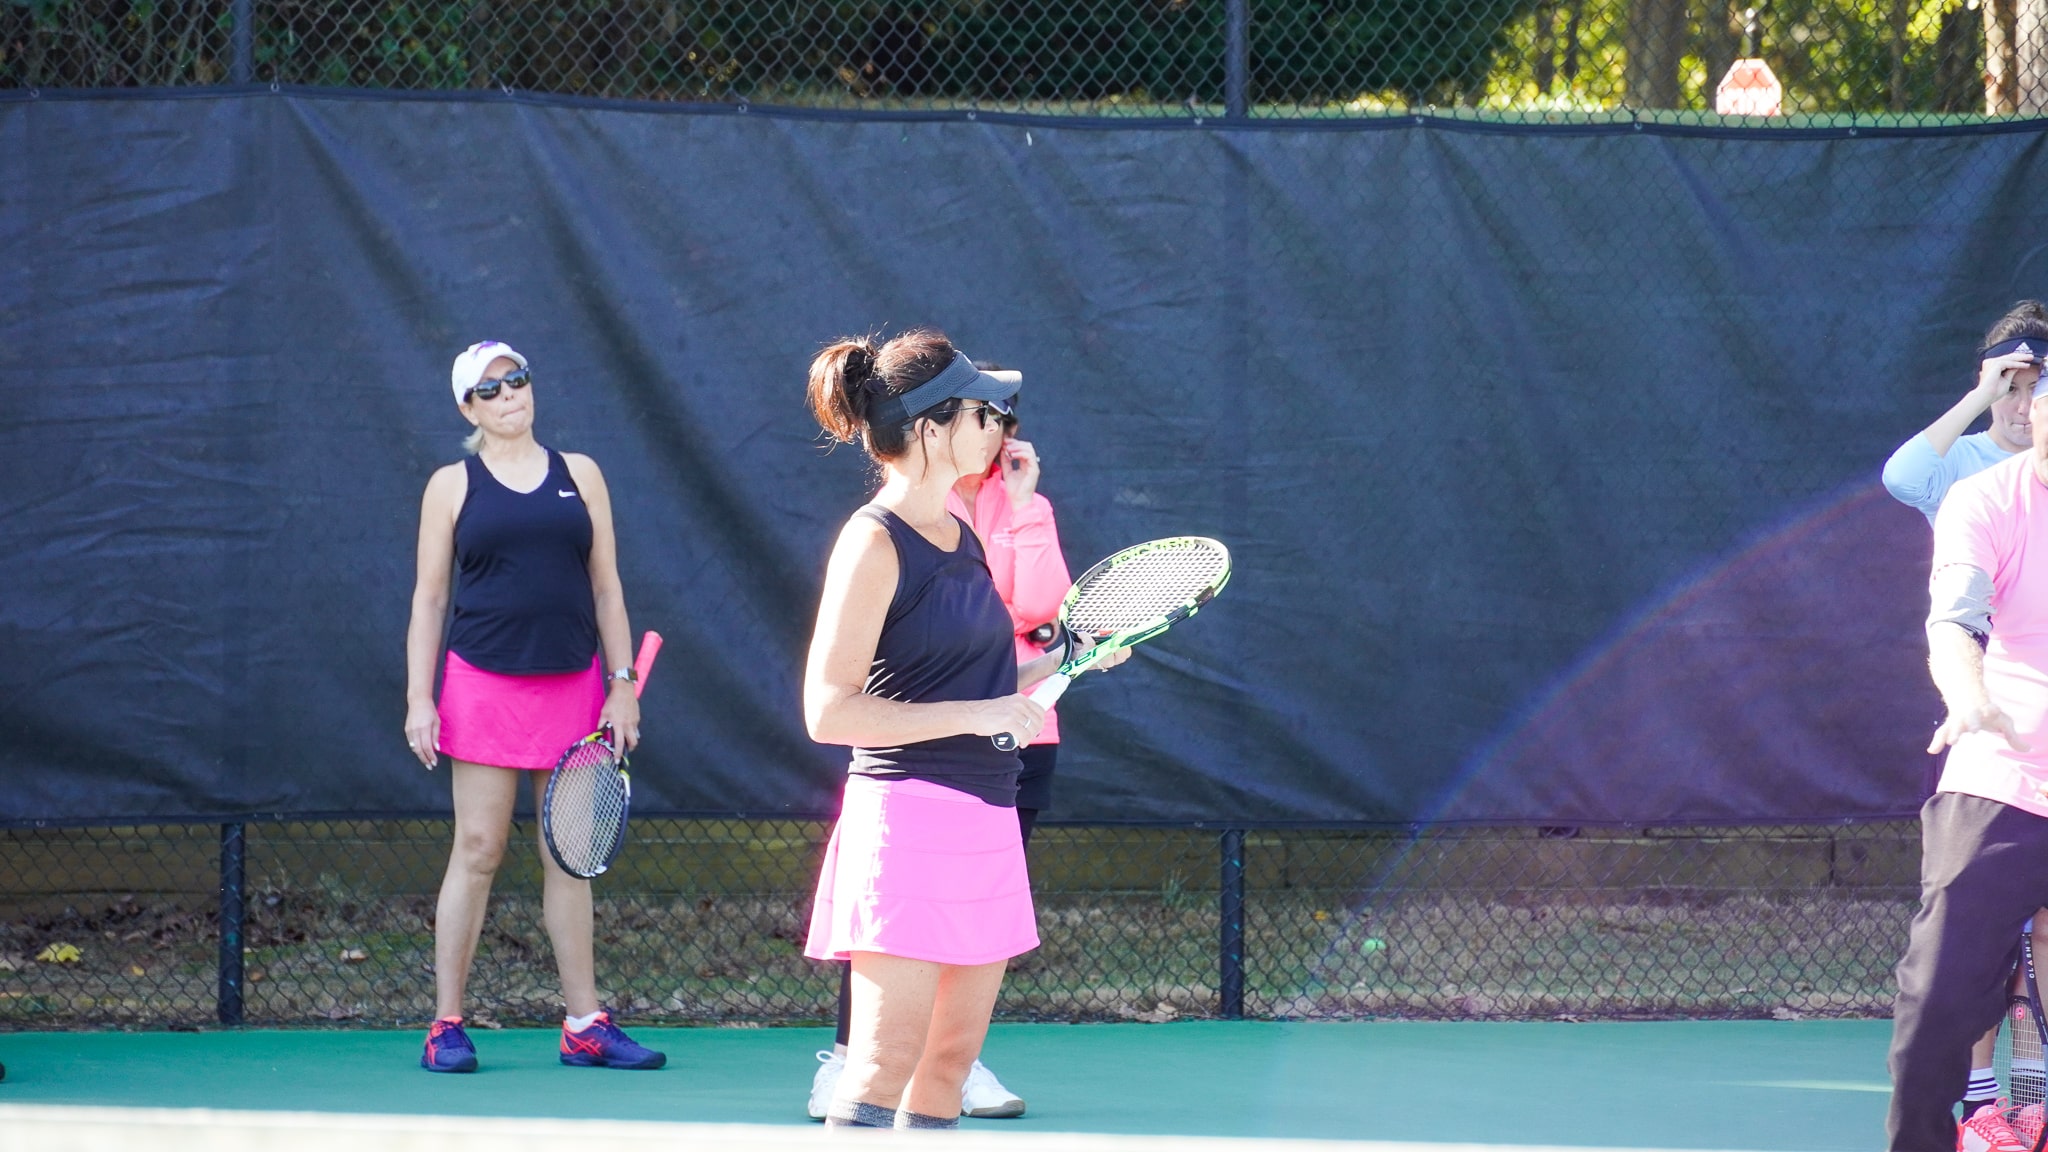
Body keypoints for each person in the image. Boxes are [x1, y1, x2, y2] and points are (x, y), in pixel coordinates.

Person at [799, 329, 1124, 1129]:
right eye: (986, 411)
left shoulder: (964, 532)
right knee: (882, 1067)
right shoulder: (873, 541)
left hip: (987, 820)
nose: (1001, 426)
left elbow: (981, 680)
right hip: (905, 821)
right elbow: (828, 709)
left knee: (946, 1069)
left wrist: (1066, 661)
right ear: (932, 428)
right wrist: (977, 715)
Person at [403, 341, 664, 1074]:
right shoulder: (450, 486)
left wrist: (622, 684)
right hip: (481, 687)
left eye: (516, 380)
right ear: (468, 410)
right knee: (478, 848)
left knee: (569, 858)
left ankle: (584, 1024)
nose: (508, 395)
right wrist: (419, 697)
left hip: (574, 688)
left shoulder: (581, 474)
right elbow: (429, 599)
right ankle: (445, 1025)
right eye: (489, 390)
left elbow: (606, 587)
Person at [1879, 304, 2048, 1134]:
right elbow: (1953, 619)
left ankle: (2031, 1093)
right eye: (2022, 390)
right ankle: (1967, 1104)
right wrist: (1968, 696)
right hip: (1999, 768)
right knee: (1941, 990)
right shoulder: (1979, 491)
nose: (2027, 402)